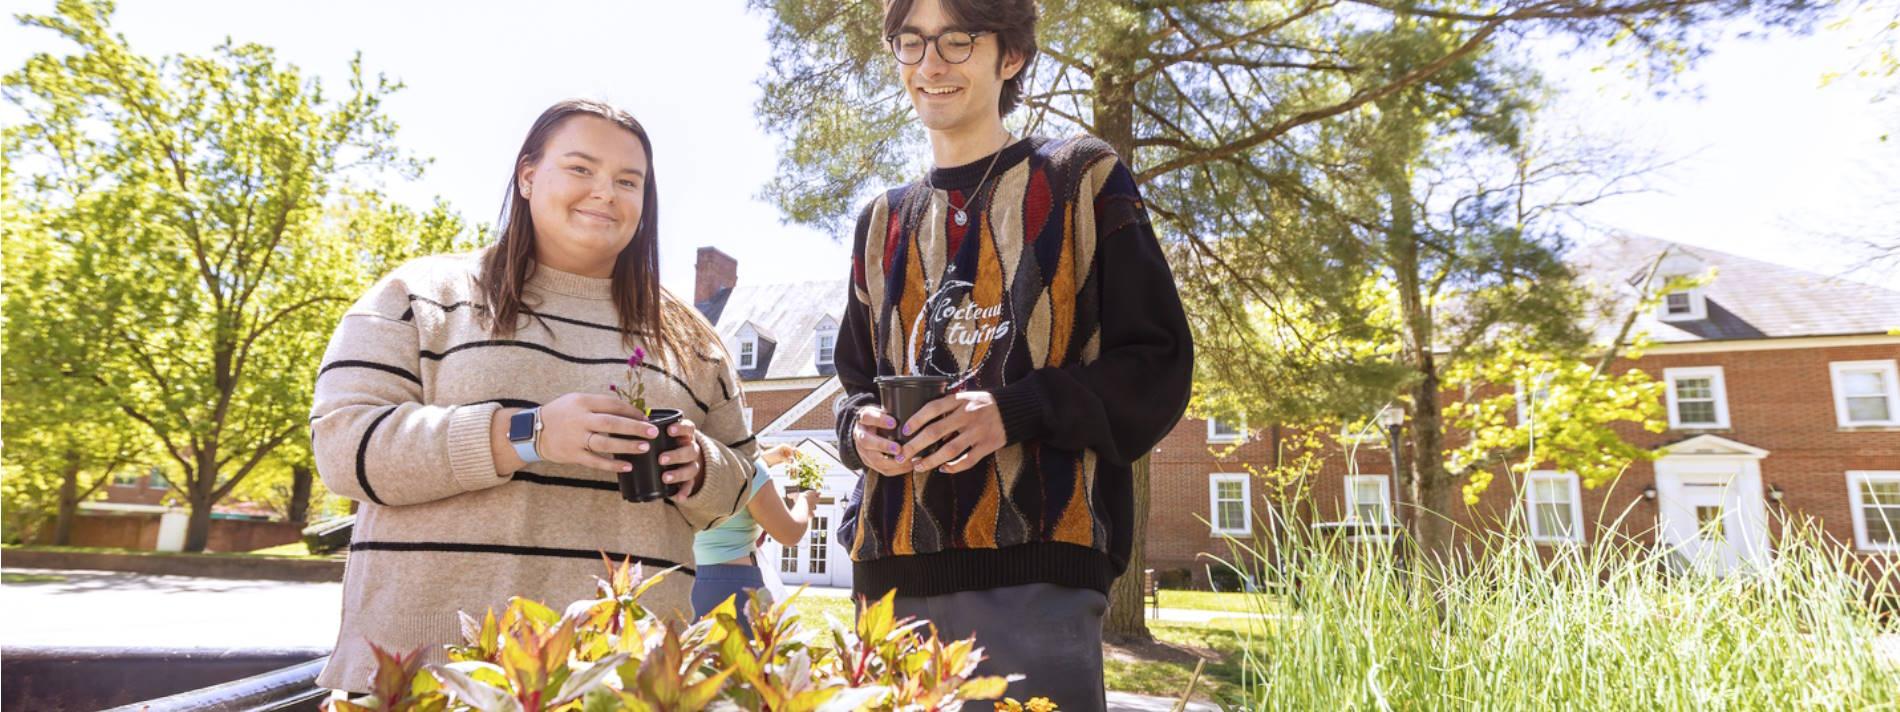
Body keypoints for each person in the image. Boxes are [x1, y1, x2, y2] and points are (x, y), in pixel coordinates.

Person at [308, 99, 758, 693]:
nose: (606, 192)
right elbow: (343, 449)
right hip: (430, 674)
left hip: (625, 680)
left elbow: (745, 493)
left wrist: (699, 468)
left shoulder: (693, 339)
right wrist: (527, 434)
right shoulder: (417, 295)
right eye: (581, 168)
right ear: (526, 176)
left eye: (629, 181)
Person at [829, 1, 1194, 709]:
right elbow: (852, 384)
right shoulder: (880, 221)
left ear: (1013, 56)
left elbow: (1157, 362)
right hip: (891, 579)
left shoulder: (1083, 178)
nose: (930, 63)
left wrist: (1016, 410)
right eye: (911, 42)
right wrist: (857, 429)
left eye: (957, 40)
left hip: (1038, 573)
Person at [691, 444, 821, 633]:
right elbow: (789, 533)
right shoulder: (748, 467)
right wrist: (805, 502)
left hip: (688, 582)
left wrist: (765, 459)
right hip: (737, 586)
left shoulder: (677, 462)